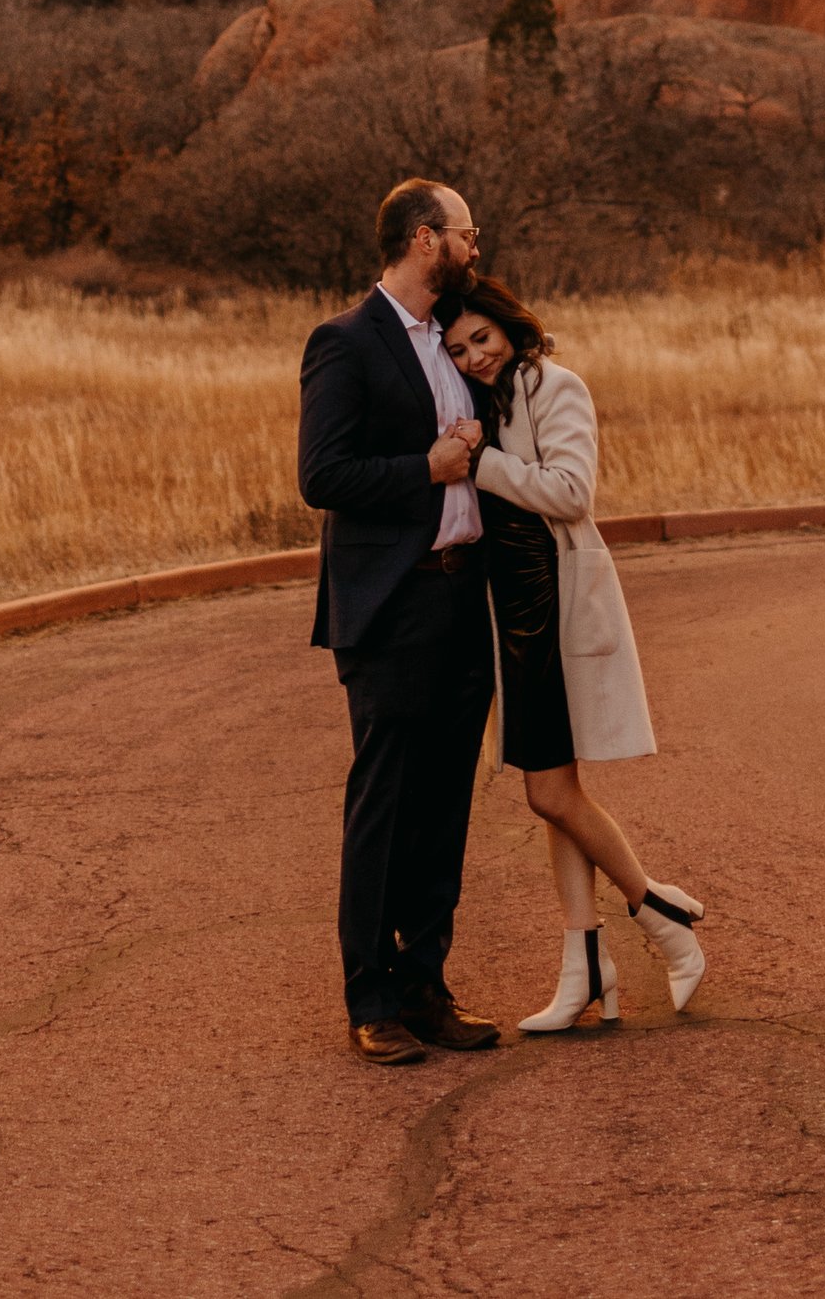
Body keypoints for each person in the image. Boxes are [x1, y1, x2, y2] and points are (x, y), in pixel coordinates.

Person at [437, 273, 707, 1031]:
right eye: (456, 350)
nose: (473, 358)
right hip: (513, 617)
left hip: (557, 609)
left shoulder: (557, 386)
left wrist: (480, 461)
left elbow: (571, 492)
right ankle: (585, 969)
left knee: (549, 795)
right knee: (554, 798)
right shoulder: (480, 404)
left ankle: (658, 913)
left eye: (481, 339)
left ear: (510, 327)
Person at [297, 178, 503, 1064]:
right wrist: (422, 469)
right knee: (384, 804)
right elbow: (324, 476)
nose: (475, 244)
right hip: (391, 603)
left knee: (447, 804)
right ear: (426, 240)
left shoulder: (461, 344)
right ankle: (369, 997)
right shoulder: (344, 343)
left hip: (464, 597)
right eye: (465, 233)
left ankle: (426, 986)